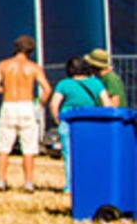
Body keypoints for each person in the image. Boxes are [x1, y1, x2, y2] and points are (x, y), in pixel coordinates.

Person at [0, 35, 52, 192]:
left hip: (9, 104)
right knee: (29, 147)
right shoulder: (33, 67)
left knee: (3, 146)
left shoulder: (4, 65)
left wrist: (6, 90)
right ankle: (28, 182)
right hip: (27, 105)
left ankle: (1, 181)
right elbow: (47, 89)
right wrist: (39, 104)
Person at [50, 56, 117, 192]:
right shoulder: (96, 83)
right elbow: (107, 104)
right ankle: (89, 183)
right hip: (89, 122)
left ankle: (70, 186)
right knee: (89, 154)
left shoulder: (64, 84)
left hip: (68, 121)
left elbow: (54, 104)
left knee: (69, 155)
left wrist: (58, 120)